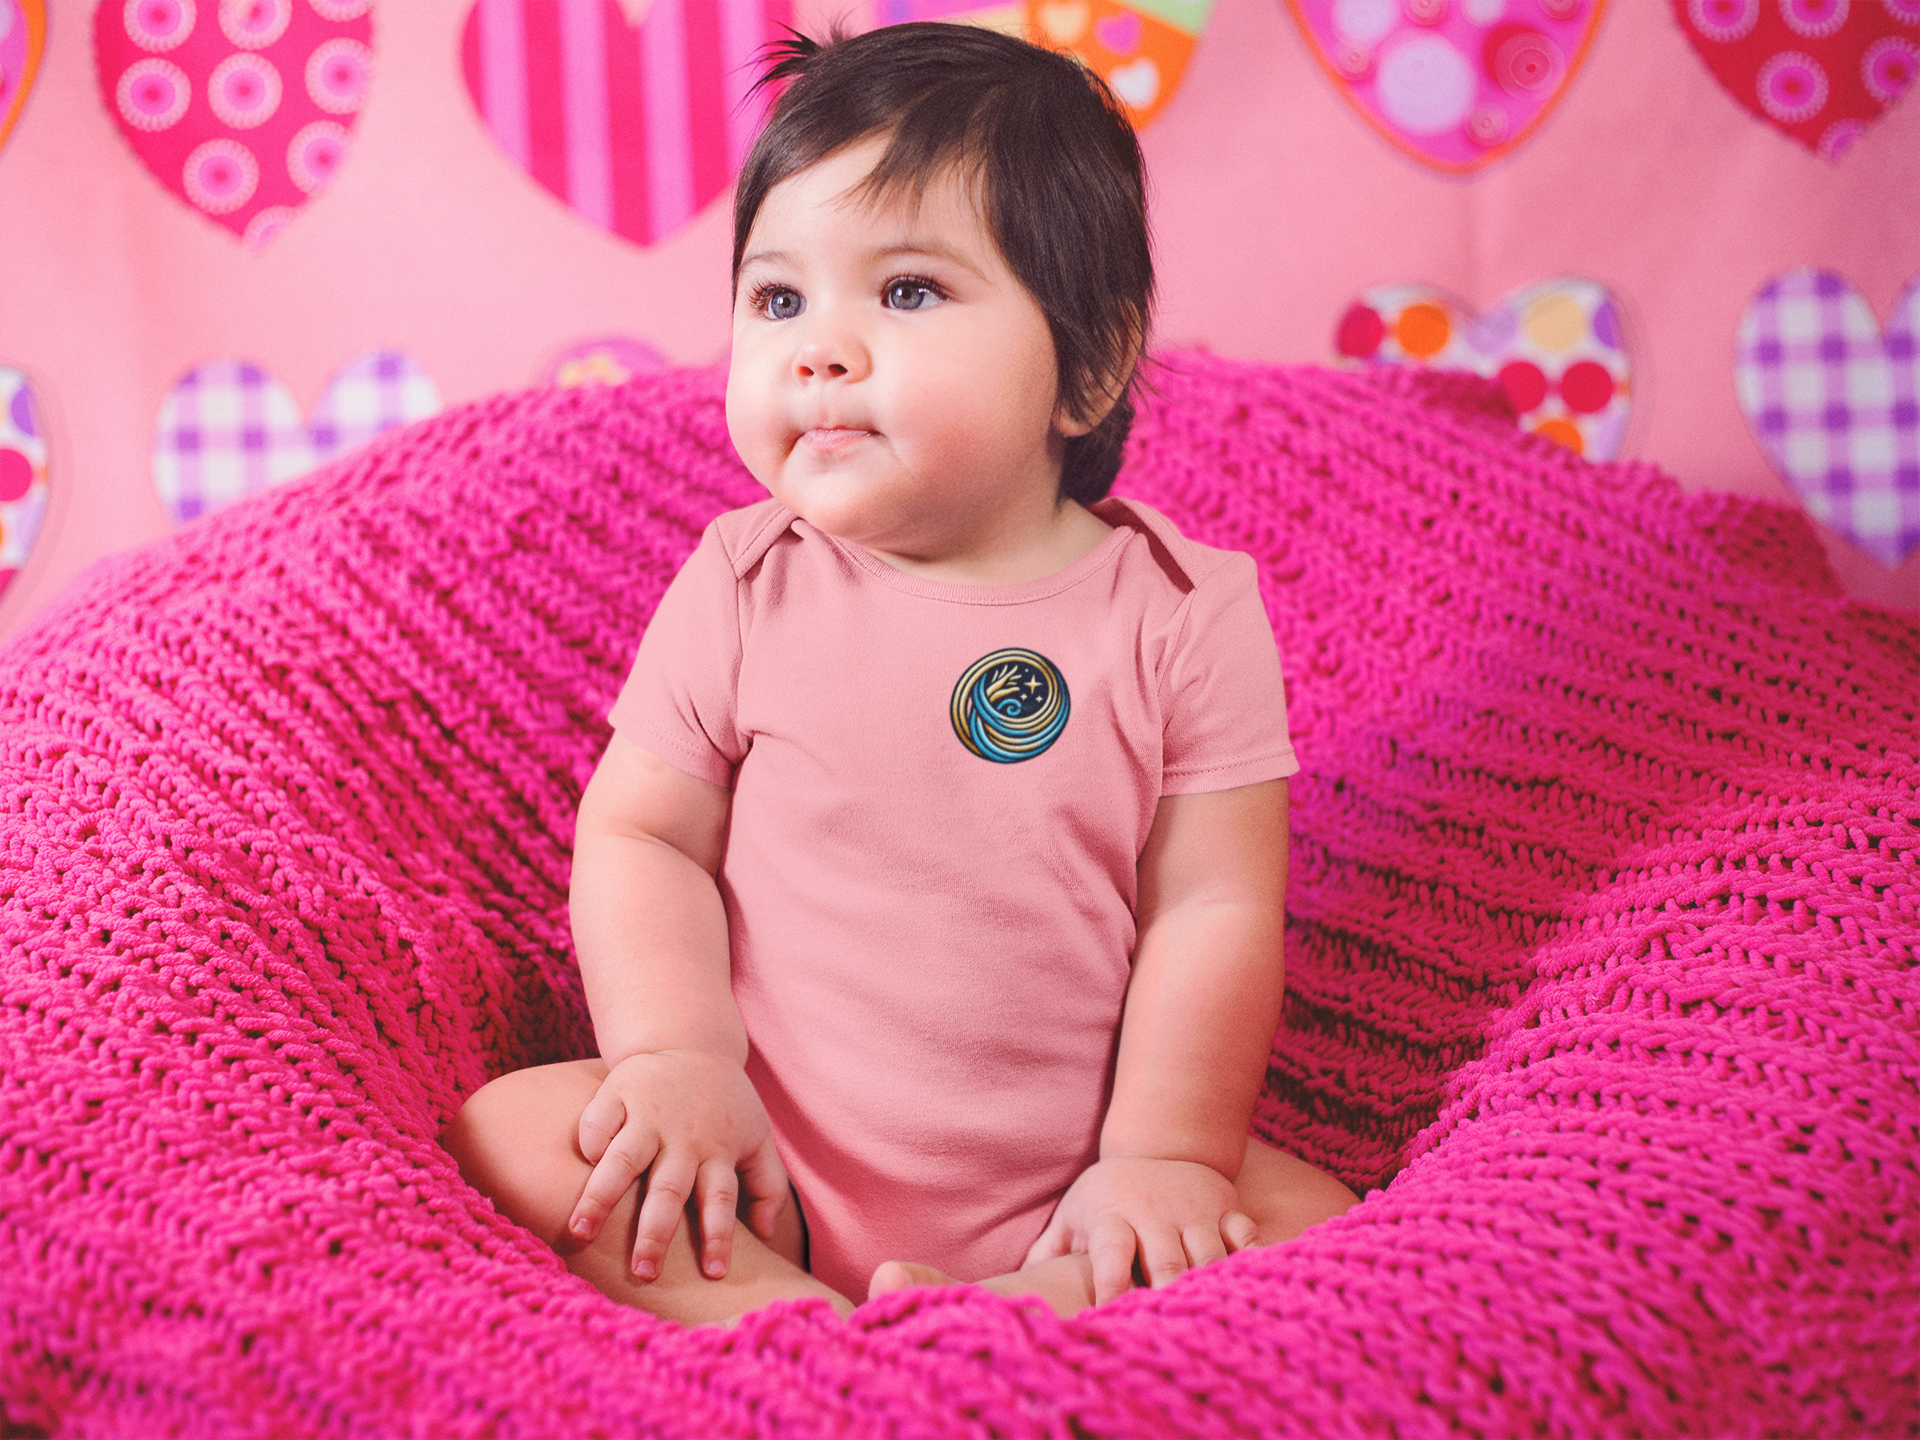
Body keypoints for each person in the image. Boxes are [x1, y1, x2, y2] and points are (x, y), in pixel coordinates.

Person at [443, 21, 1358, 1327]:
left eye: (910, 292)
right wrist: (679, 1059)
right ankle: (817, 1333)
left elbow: (1212, 911)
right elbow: (643, 834)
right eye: (779, 299)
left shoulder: (1178, 615)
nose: (819, 349)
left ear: (1089, 364)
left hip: (1067, 1187)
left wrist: (1164, 1154)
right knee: (513, 1131)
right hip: (763, 1165)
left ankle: (1006, 1310)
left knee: (1322, 1227)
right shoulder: (745, 582)